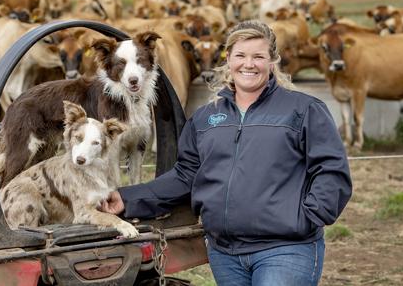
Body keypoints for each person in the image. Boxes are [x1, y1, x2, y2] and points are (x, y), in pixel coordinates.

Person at [101, 20, 352, 286]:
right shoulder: (206, 119)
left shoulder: (303, 110)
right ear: (228, 59)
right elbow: (186, 176)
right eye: (240, 55)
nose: (249, 64)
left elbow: (332, 172)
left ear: (272, 61)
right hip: (225, 254)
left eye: (258, 56)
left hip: (285, 248)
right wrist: (127, 198)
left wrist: (305, 219)